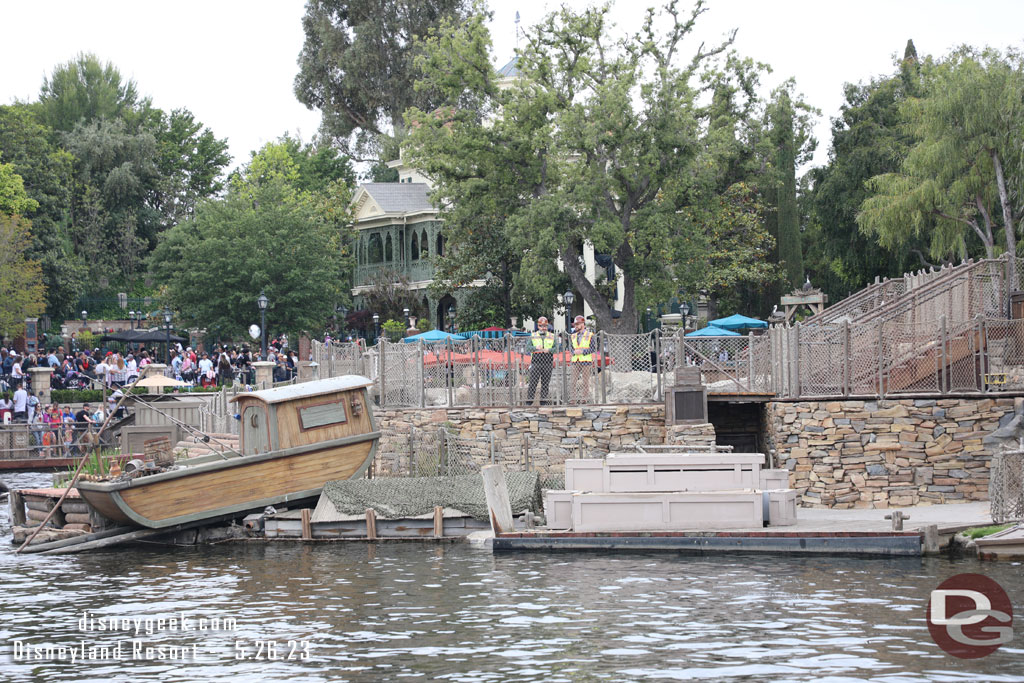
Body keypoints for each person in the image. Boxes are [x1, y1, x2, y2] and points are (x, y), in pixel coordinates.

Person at [526, 317, 556, 406]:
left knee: (545, 383)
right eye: (541, 326)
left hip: (547, 362)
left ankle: (543, 401)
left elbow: (557, 348)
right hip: (536, 361)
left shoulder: (552, 336)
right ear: (538, 326)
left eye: (545, 326)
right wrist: (535, 348)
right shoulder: (533, 335)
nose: (543, 328)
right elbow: (528, 348)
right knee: (533, 382)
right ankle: (529, 401)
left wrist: (550, 350)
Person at [569, 315, 594, 404]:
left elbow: (593, 348)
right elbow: (571, 348)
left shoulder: (590, 335)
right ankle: (573, 399)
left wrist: (582, 352)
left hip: (586, 361)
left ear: (583, 324)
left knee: (585, 381)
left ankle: (584, 399)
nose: (575, 326)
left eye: (578, 324)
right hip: (576, 361)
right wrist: (573, 352)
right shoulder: (573, 336)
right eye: (575, 324)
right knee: (573, 381)